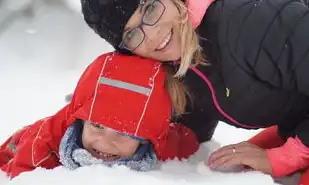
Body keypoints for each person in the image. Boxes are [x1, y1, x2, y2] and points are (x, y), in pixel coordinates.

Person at [80, 0, 309, 183]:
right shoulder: (179, 65)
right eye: (131, 35)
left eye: (150, 10)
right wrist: (112, 142)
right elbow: (186, 134)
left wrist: (285, 157)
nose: (152, 34)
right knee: (237, 169)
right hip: (297, 122)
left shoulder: (248, 21)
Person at [0, 52, 199, 179]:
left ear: (148, 140)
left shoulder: (161, 145)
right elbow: (20, 176)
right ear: (82, 121)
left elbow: (185, 141)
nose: (104, 142)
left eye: (124, 133)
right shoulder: (41, 147)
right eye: (97, 126)